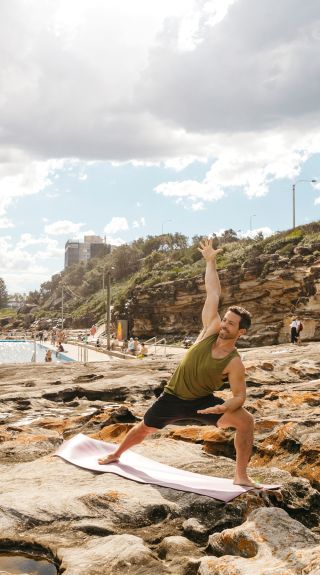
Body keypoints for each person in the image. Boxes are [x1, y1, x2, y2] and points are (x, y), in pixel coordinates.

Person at [98, 238, 256, 487]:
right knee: (144, 428)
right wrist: (210, 261)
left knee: (246, 421)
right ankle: (116, 454)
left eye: (231, 323)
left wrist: (224, 406)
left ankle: (241, 476)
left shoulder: (235, 362)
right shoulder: (210, 330)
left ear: (241, 332)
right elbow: (213, 292)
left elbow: (240, 396)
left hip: (203, 403)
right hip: (172, 398)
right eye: (225, 320)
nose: (224, 324)